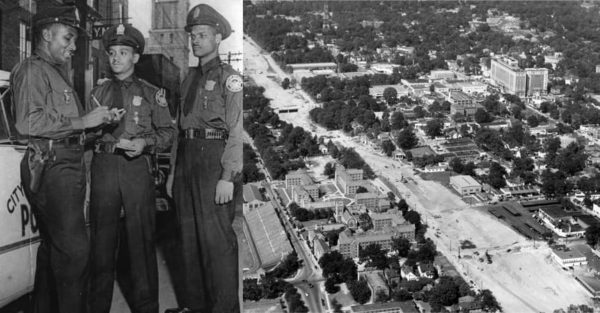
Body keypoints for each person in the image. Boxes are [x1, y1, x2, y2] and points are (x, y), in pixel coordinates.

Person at [11, 4, 113, 313]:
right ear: (46, 34)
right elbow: (29, 123)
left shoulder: (53, 73)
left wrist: (96, 123)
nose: (71, 47)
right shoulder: (32, 70)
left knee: (54, 251)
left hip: (63, 163)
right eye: (67, 38)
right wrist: (85, 122)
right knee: (75, 253)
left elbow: (63, 128)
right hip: (54, 168)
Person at [87, 23, 176, 313]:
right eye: (112, 52)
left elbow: (167, 134)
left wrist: (145, 144)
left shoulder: (152, 94)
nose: (115, 58)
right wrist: (98, 124)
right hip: (103, 168)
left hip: (136, 169)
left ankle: (147, 308)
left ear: (135, 57)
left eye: (123, 52)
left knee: (141, 242)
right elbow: (84, 136)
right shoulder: (97, 93)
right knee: (101, 245)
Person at [164, 4, 242, 313]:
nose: (196, 40)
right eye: (193, 35)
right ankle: (194, 308)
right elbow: (179, 130)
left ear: (218, 37)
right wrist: (172, 173)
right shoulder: (187, 79)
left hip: (213, 160)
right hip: (185, 162)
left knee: (217, 244)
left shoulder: (230, 79)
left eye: (202, 35)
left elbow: (236, 130)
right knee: (188, 241)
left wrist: (228, 176)